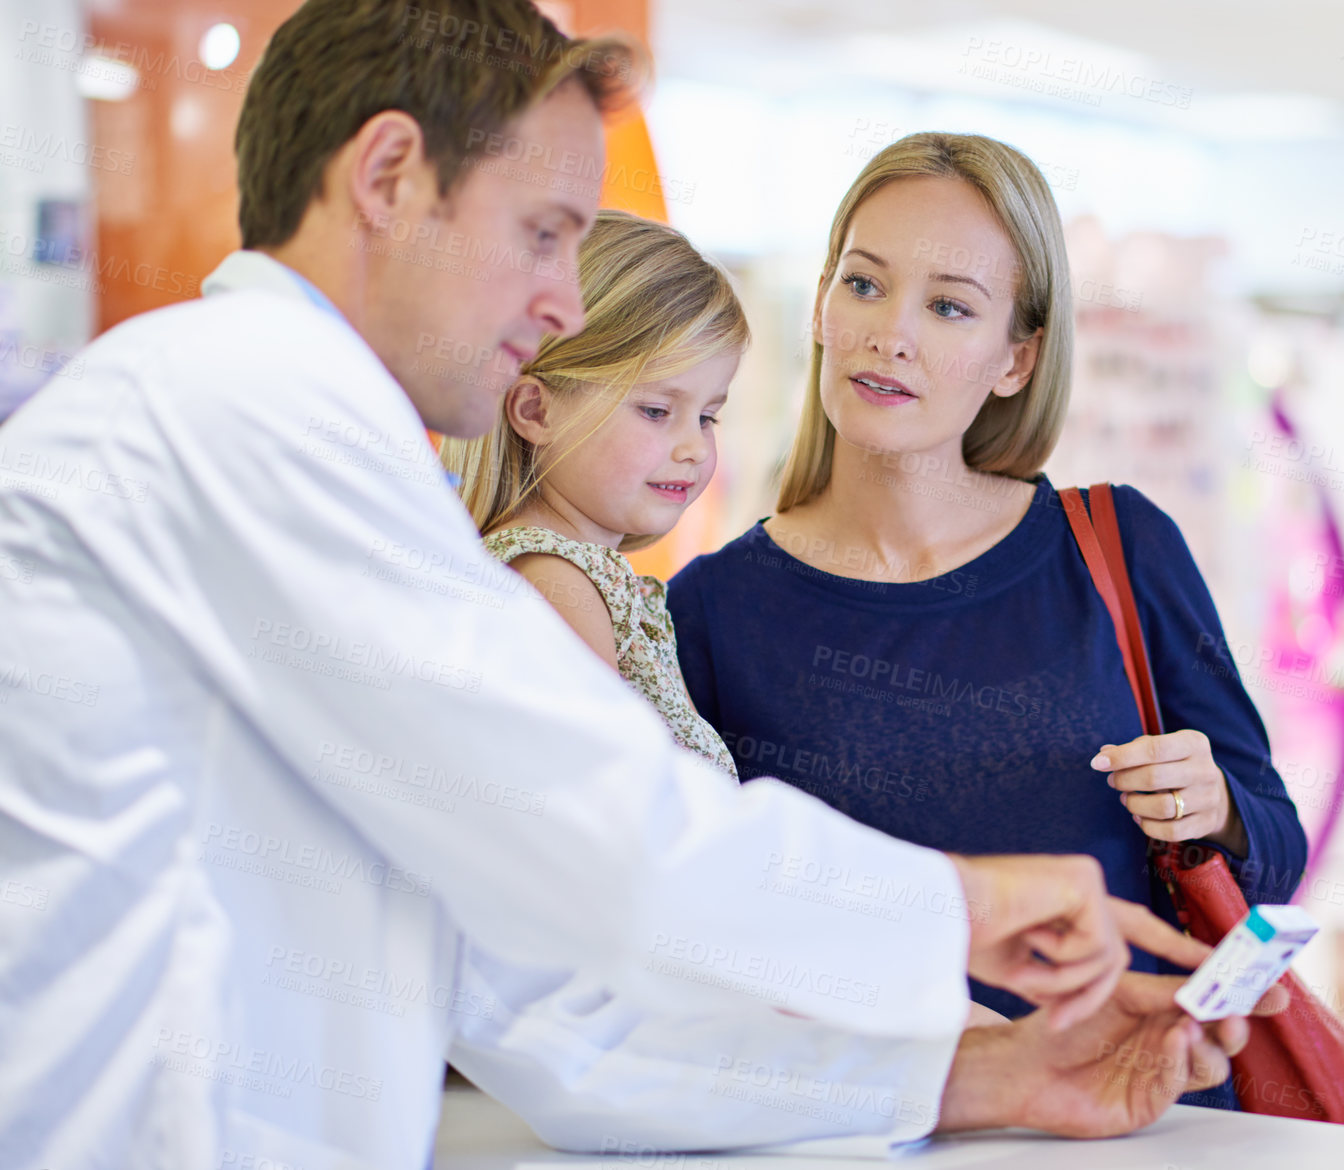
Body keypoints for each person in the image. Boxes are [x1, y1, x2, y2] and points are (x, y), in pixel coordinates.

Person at [0, 5, 1269, 1168]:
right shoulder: (233, 411)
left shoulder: (315, 450)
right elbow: (598, 827)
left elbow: (552, 1019)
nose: (562, 299)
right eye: (541, 232)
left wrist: (988, 1071)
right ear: (387, 177)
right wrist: (964, 907)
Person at [666, 132, 1310, 1110]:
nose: (891, 335)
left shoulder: (1120, 549)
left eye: (948, 307)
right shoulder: (712, 608)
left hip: (1143, 1123)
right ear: (819, 307)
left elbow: (1276, 858)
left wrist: (1214, 805)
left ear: (1017, 358)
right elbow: (699, 925)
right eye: (864, 285)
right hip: (873, 1131)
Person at [441, 209, 741, 778]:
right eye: (657, 410)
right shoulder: (554, 581)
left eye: (708, 417)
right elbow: (600, 802)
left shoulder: (574, 575)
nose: (695, 449)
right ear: (535, 410)